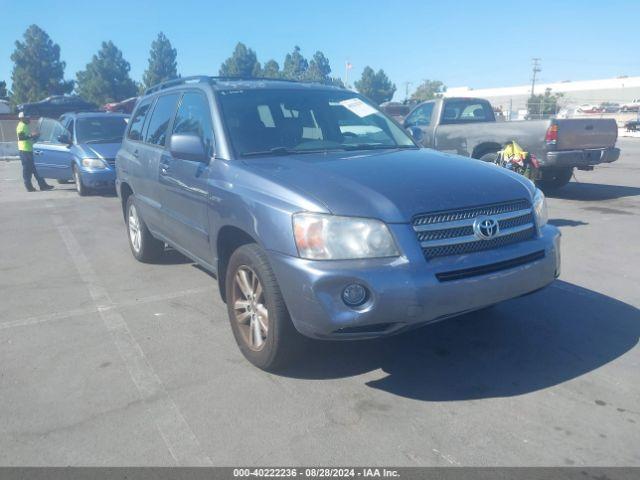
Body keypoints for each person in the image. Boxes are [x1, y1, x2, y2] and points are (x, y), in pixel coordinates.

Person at [16, 112, 53, 192]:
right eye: (27, 118)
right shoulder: (21, 126)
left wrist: (33, 135)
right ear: (22, 118)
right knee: (27, 170)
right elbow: (21, 137)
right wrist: (32, 135)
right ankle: (29, 187)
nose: (29, 119)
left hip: (28, 150)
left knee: (35, 168)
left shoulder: (24, 125)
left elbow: (26, 137)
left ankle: (43, 185)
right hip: (25, 151)